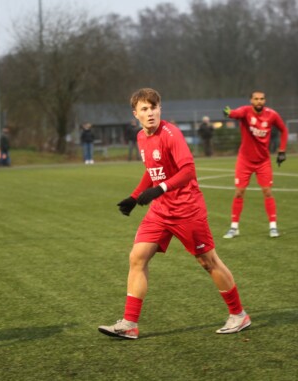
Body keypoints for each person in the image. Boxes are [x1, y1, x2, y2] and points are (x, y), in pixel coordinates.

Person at [98, 88, 250, 340]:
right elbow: (152, 170)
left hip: (186, 208)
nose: (150, 113)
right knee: (137, 257)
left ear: (160, 109)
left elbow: (188, 170)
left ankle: (239, 314)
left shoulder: (171, 134)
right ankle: (129, 324)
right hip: (160, 211)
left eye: (154, 107)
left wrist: (159, 189)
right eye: (144, 109)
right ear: (135, 114)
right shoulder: (141, 137)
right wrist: (135, 197)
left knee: (207, 261)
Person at [221, 90, 288, 239]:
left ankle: (273, 227)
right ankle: (234, 227)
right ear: (251, 100)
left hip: (263, 161)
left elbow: (283, 129)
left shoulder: (272, 115)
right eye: (256, 99)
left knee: (267, 192)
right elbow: (235, 113)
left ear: (265, 101)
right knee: (239, 192)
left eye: (262, 99)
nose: (259, 101)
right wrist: (228, 113)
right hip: (245, 161)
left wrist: (282, 150)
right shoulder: (245, 111)